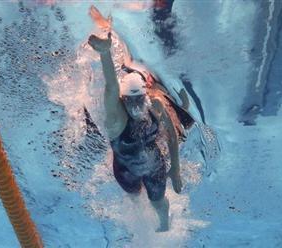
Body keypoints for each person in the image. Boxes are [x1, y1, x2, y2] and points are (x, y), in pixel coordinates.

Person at [87, 5, 194, 232]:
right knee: (135, 198)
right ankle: (138, 220)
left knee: (159, 203)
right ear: (123, 100)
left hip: (155, 165)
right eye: (131, 101)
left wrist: (175, 168)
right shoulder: (117, 117)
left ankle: (164, 223)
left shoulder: (153, 103)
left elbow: (172, 135)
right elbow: (110, 86)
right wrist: (105, 53)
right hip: (125, 170)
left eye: (139, 100)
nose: (137, 106)